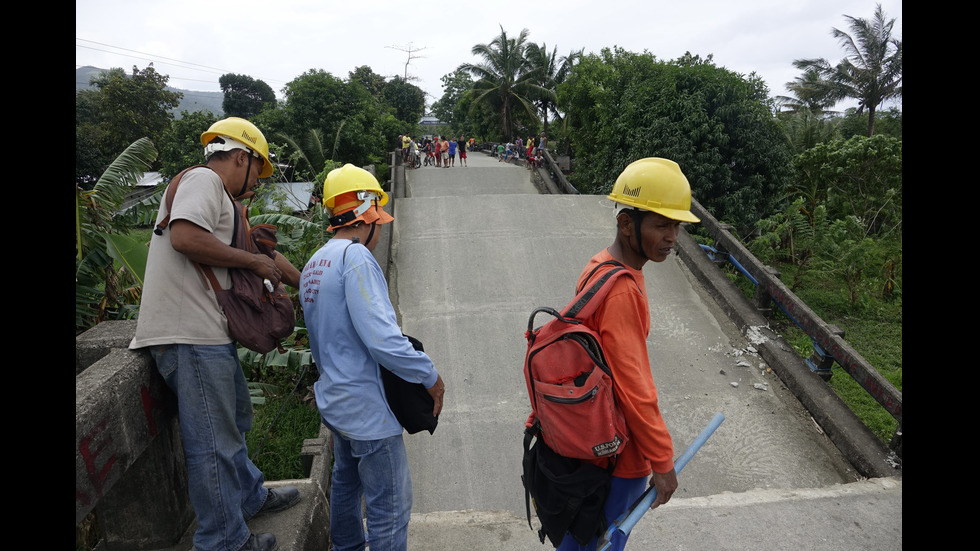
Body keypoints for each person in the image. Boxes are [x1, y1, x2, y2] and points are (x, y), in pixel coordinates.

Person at [129, 117, 303, 551]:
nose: (256, 182)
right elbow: (185, 237)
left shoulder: (225, 204)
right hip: (188, 335)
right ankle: (223, 540)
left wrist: (313, 284)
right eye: (257, 171)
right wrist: (251, 265)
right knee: (213, 442)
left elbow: (265, 254)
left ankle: (247, 497)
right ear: (241, 157)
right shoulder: (203, 180)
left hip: (207, 334)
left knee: (236, 421)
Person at [301, 164, 446, 551]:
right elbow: (383, 340)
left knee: (346, 486)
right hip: (368, 411)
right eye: (377, 220)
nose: (379, 231)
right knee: (390, 507)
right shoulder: (356, 258)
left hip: (337, 401)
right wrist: (430, 376)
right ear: (365, 215)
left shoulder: (315, 264)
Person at [556, 157, 698, 551]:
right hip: (618, 455)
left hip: (591, 445)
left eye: (677, 225)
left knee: (581, 539)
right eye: (661, 224)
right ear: (626, 223)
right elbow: (634, 386)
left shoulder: (601, 265)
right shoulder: (622, 290)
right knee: (603, 542)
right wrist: (662, 461)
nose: (672, 237)